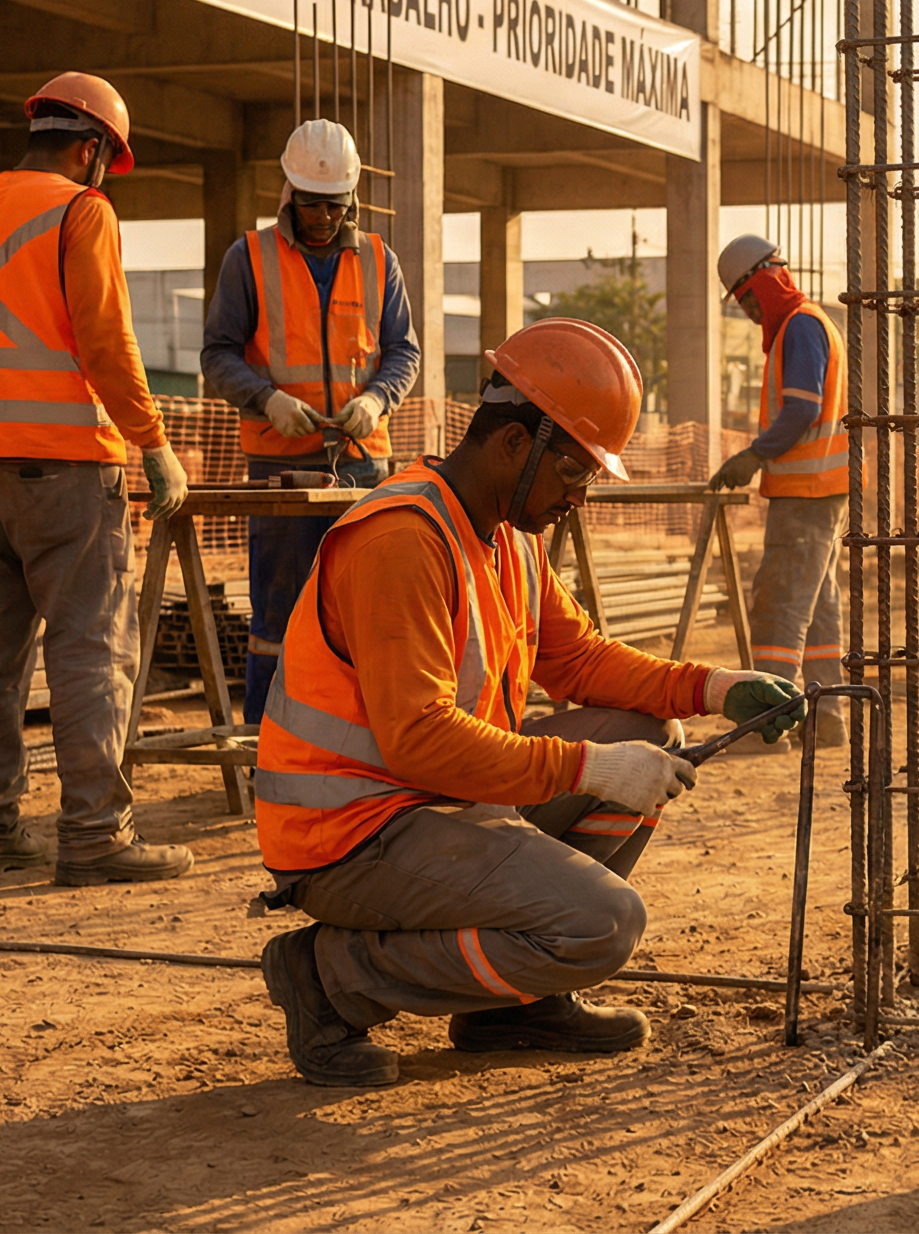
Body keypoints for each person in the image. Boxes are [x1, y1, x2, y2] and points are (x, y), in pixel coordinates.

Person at [250, 317, 803, 1087]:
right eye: (574, 474)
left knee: (651, 730)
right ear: (516, 444)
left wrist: (713, 688)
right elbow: (416, 740)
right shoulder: (402, 540)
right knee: (603, 924)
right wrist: (590, 768)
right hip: (349, 836)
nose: (578, 498)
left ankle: (510, 1006)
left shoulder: (508, 534)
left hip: (433, 805)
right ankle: (331, 975)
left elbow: (576, 658)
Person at [0, 72, 195, 885]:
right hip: (66, 467)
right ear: (93, 148)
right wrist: (154, 440)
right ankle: (97, 837)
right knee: (90, 650)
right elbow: (105, 340)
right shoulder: (81, 211)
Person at [201, 120, 421, 724]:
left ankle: (361, 747)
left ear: (350, 197)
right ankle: (269, 747)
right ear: (288, 194)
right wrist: (267, 400)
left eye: (334, 203)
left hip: (360, 463)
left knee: (366, 611)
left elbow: (404, 352)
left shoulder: (379, 260)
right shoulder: (248, 258)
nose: (323, 216)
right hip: (280, 465)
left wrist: (376, 400)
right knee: (280, 614)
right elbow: (217, 354)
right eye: (310, 203)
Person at [706, 234, 848, 703]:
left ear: (763, 282)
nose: (749, 314)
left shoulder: (800, 327)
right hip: (821, 490)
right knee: (818, 606)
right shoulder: (808, 324)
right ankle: (827, 718)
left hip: (806, 492)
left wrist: (754, 456)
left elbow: (801, 409)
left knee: (780, 601)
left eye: (747, 301)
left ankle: (770, 718)